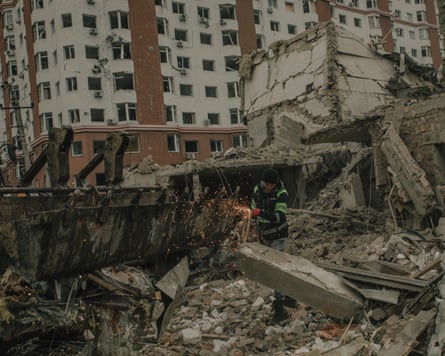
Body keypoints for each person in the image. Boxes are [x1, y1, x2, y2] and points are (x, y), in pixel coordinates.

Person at [250, 168, 293, 323]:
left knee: (276, 271)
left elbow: (278, 217)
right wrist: (253, 228)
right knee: (275, 270)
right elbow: (252, 210)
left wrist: (260, 212)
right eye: (267, 184)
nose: (269, 188)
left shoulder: (282, 193)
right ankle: (290, 296)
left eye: (271, 185)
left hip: (278, 237)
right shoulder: (257, 189)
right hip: (264, 237)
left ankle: (280, 309)